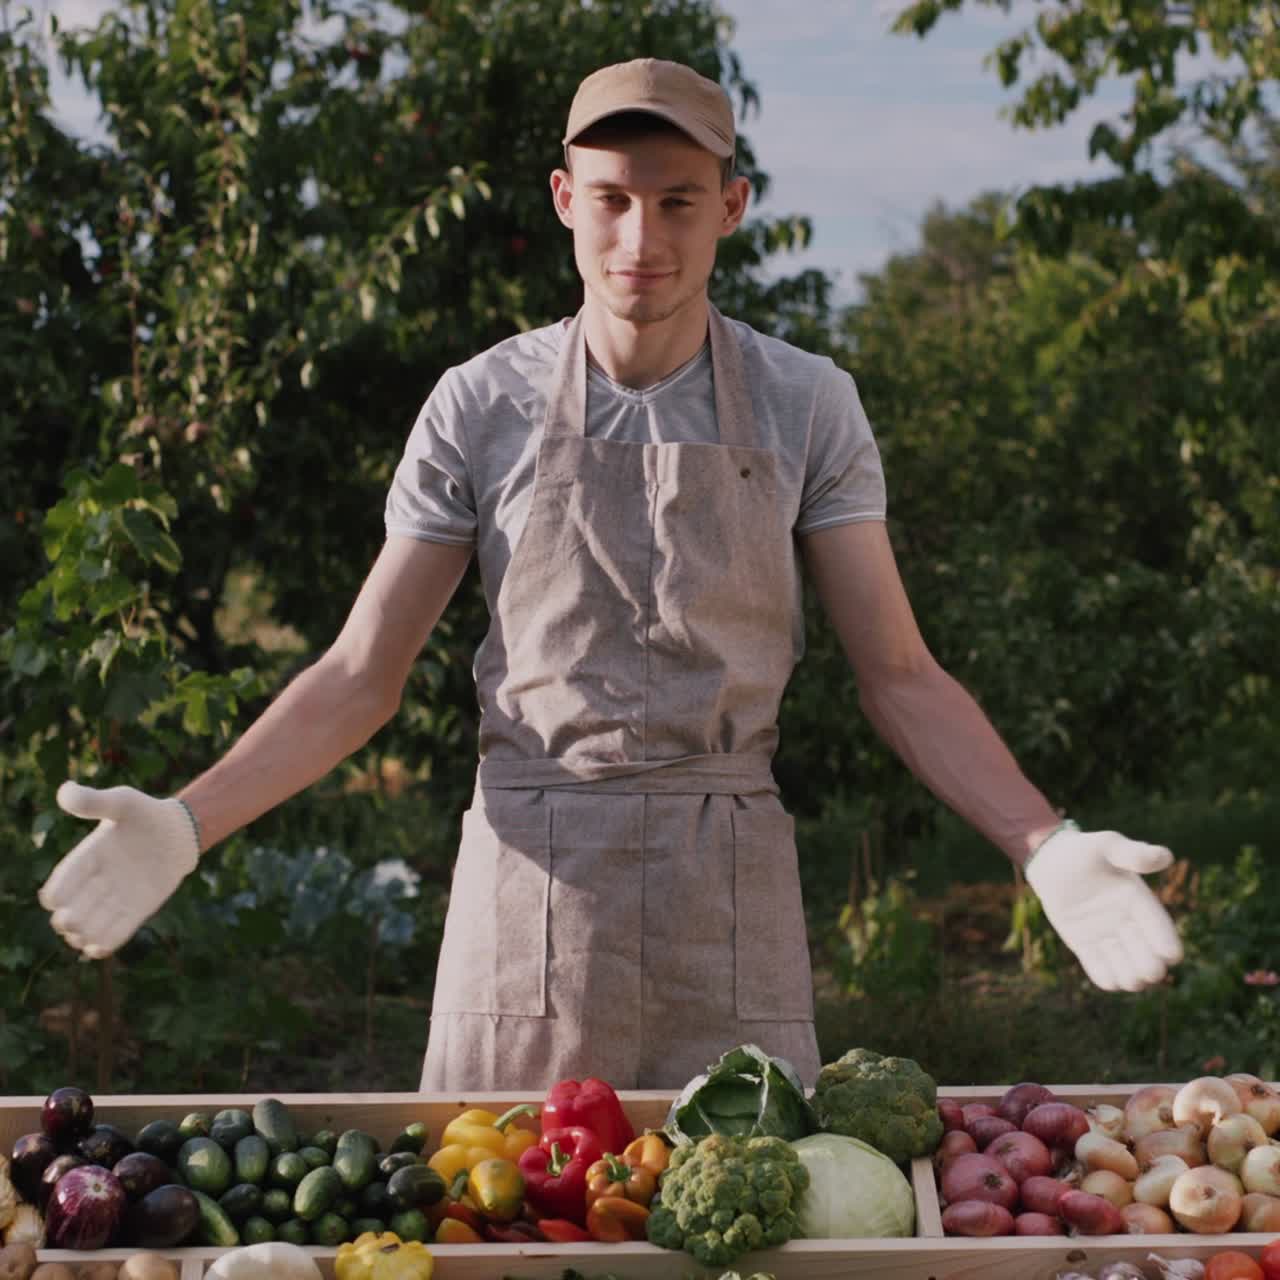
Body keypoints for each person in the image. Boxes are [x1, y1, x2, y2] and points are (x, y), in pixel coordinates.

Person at [38, 58, 1183, 1091]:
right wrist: (190, 820)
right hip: (532, 877)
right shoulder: (477, 404)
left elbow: (896, 670)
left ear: (731, 207)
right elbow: (358, 673)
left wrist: (1041, 841)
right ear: (562, 200)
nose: (643, 236)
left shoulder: (806, 403)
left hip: (724, 886)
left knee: (739, 1227)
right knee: (507, 1225)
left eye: (678, 200)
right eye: (613, 198)